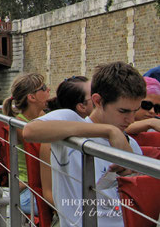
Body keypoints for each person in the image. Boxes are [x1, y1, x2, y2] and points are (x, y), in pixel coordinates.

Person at [23, 61, 146, 227]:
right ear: (98, 101)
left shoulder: (132, 145)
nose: (130, 120)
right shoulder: (70, 120)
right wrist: (109, 131)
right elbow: (30, 131)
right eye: (123, 111)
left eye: (135, 111)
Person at [2, 73, 50, 215]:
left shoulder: (40, 116)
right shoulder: (21, 127)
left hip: (39, 186)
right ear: (32, 97)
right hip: (27, 193)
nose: (49, 90)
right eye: (44, 88)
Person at [41, 76, 93, 208]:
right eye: (94, 95)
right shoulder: (50, 143)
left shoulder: (103, 132)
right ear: (81, 106)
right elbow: (48, 192)